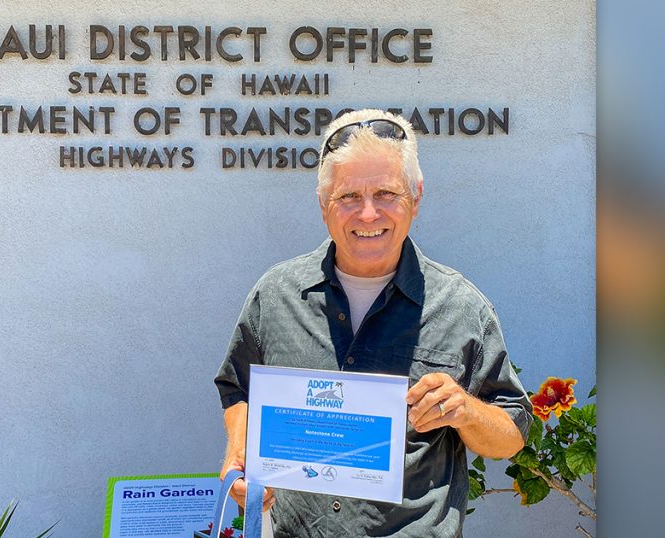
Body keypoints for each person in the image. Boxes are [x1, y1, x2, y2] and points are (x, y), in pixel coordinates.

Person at [214, 109, 532, 537]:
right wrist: (239, 453)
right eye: (348, 197)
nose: (367, 214)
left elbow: (511, 434)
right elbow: (239, 388)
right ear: (324, 204)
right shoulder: (276, 294)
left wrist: (465, 410)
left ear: (415, 199)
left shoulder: (460, 305)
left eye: (386, 193)